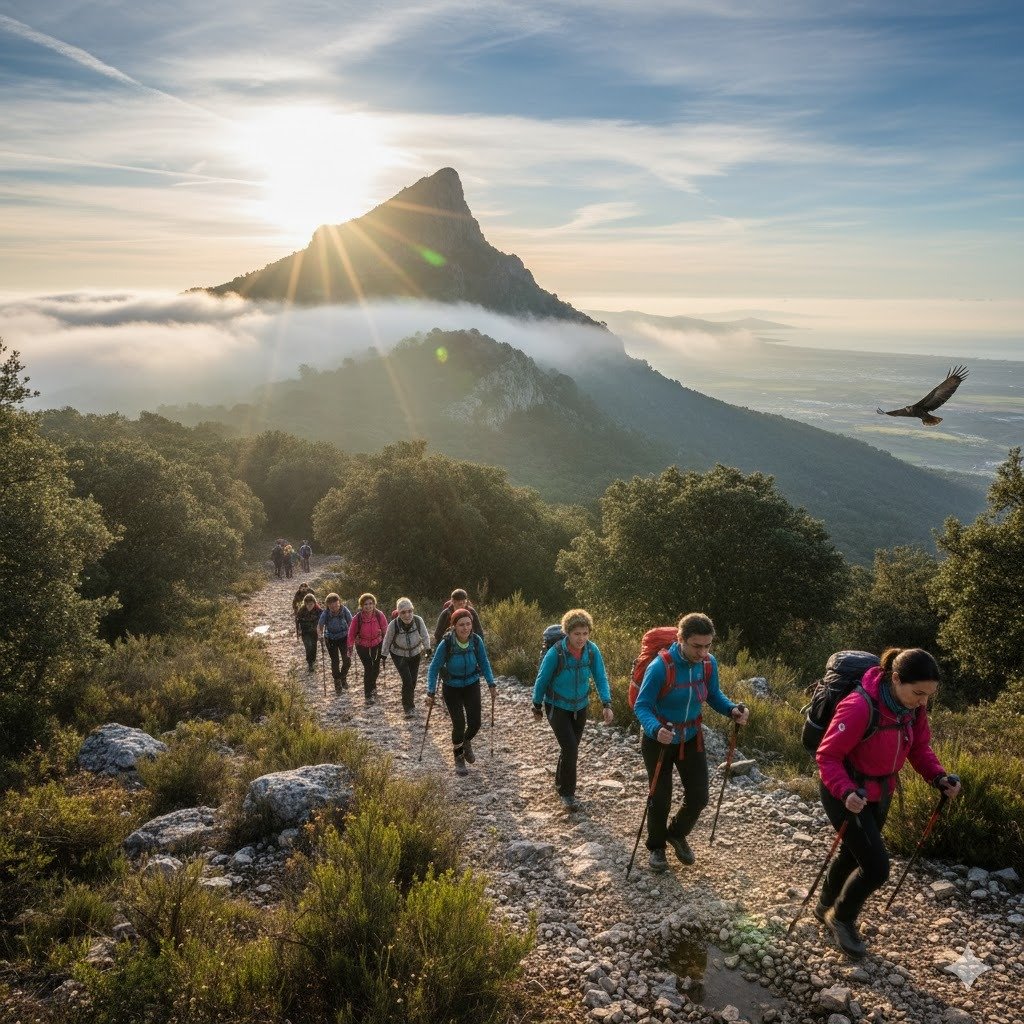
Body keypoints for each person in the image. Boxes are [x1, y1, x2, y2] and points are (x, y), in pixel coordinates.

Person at [816, 647, 961, 958]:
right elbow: (827, 756)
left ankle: (824, 904)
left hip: (881, 792)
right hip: (846, 791)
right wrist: (845, 791)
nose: (924, 702)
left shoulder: (913, 709)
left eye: (929, 695)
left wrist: (938, 777)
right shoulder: (859, 706)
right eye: (918, 693)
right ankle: (841, 918)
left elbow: (919, 748)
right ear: (896, 679)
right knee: (877, 868)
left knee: (853, 854)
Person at [634, 612, 749, 872]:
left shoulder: (708, 664)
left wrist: (732, 710)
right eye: (697, 646)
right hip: (659, 741)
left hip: (691, 737)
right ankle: (657, 848)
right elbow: (642, 706)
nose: (703, 652)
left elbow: (713, 695)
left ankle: (675, 833)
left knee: (699, 796)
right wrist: (655, 728)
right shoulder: (661, 666)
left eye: (708, 645)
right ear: (681, 639)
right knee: (659, 796)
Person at [532, 609, 613, 810]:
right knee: (571, 748)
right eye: (577, 634)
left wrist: (607, 703)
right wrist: (536, 704)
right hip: (556, 706)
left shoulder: (592, 651)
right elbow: (541, 679)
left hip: (580, 707)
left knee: (570, 748)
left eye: (585, 633)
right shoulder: (556, 653)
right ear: (568, 632)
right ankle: (567, 794)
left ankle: (560, 784)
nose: (581, 638)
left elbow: (600, 677)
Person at [427, 607, 496, 776]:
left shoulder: (476, 640)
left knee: (476, 723)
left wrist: (491, 683)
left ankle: (466, 741)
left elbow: (484, 662)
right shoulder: (447, 643)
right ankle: (458, 758)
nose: (465, 628)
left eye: (468, 624)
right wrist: (430, 692)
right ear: (454, 626)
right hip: (451, 687)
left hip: (472, 684)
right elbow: (433, 668)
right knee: (458, 724)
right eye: (461, 625)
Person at [383, 598, 431, 716]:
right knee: (407, 680)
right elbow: (387, 640)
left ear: (412, 610)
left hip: (415, 653)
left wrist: (428, 648)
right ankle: (408, 707)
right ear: (398, 613)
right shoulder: (393, 624)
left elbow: (425, 635)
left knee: (413, 681)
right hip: (398, 654)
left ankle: (409, 700)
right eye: (403, 612)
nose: (407, 615)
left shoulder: (418, 621)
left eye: (409, 611)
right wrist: (383, 655)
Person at [347, 593, 389, 701]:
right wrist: (350, 647)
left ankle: (373, 687)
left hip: (377, 644)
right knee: (368, 668)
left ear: (374, 604)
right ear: (361, 605)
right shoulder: (357, 618)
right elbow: (351, 633)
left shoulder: (379, 615)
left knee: (376, 668)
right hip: (362, 646)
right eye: (365, 604)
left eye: (371, 603)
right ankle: (368, 694)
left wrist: (387, 645)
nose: (368, 606)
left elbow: (386, 630)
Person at [318, 593, 353, 693]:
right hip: (330, 638)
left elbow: (351, 622)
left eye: (336, 604)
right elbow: (320, 626)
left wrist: (353, 634)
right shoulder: (325, 613)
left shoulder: (344, 610)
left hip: (344, 637)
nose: (334, 607)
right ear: (328, 605)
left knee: (347, 660)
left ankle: (343, 677)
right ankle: (337, 682)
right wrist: (320, 634)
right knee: (335, 661)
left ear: (339, 603)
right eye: (331, 605)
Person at [294, 592, 323, 673]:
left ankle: (312, 660)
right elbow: (297, 621)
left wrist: (321, 631)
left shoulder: (319, 610)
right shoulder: (301, 610)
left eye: (311, 604)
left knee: (313, 646)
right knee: (308, 646)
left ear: (314, 603)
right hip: (305, 632)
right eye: (308, 604)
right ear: (305, 604)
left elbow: (323, 620)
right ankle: (310, 663)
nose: (309, 606)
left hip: (314, 632)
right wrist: (298, 631)